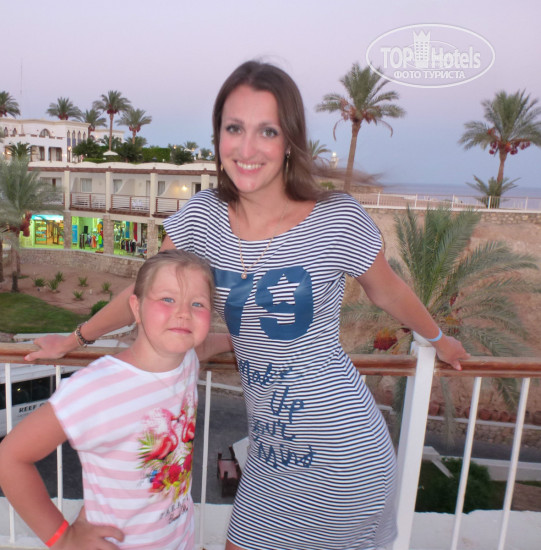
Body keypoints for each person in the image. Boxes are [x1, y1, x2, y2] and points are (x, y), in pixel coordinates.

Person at [25, 61, 469, 550]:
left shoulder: (336, 218)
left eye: (267, 131)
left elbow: (388, 291)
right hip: (269, 454)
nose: (247, 148)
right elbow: (145, 290)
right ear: (218, 135)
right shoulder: (203, 218)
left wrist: (437, 338)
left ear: (290, 141)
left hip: (345, 452)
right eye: (234, 128)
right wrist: (76, 337)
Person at [0, 250, 232, 549]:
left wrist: (237, 342)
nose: (184, 313)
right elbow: (9, 458)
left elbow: (202, 347)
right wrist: (63, 538)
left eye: (198, 303)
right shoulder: (97, 387)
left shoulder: (185, 360)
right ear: (136, 307)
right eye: (167, 299)